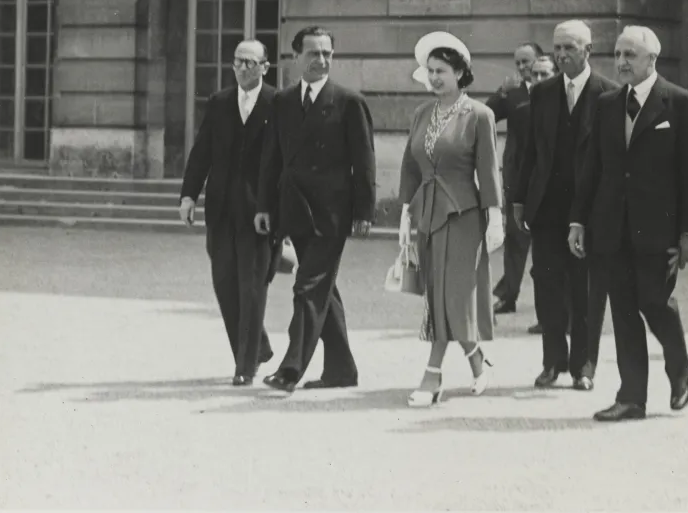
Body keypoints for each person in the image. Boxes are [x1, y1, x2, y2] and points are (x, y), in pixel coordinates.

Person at [569, 25, 688, 422]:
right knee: (624, 312)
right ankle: (631, 397)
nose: (621, 62)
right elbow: (591, 167)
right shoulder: (607, 103)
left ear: (652, 60)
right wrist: (578, 220)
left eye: (630, 55)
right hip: (611, 227)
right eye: (617, 54)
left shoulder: (681, 103)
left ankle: (679, 372)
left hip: (659, 229)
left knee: (656, 302)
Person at [255, 26, 376, 393]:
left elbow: (365, 161)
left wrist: (364, 212)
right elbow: (271, 157)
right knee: (324, 291)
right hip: (295, 210)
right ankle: (342, 370)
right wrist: (265, 206)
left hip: (332, 214)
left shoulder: (348, 101)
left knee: (308, 287)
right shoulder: (283, 101)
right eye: (312, 53)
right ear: (296, 57)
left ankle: (291, 369)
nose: (321, 60)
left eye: (327, 54)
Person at [398, 31, 504, 408]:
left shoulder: (479, 114)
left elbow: (489, 170)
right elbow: (411, 166)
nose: (434, 77)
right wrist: (405, 214)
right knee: (439, 295)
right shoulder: (421, 113)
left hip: (463, 216)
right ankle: (476, 358)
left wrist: (495, 218)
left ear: (461, 72)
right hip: (428, 213)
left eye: (442, 70)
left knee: (450, 296)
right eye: (430, 70)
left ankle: (432, 376)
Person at [514, 20, 618, 392]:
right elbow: (531, 152)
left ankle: (584, 365)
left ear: (588, 50)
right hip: (547, 209)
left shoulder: (609, 93)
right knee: (547, 286)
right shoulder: (542, 93)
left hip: (589, 211)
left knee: (586, 289)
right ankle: (552, 361)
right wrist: (520, 200)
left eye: (569, 48)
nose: (561, 55)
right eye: (557, 48)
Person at [178, 39, 278, 386]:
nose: (243, 68)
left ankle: (245, 365)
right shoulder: (219, 102)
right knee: (225, 285)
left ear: (266, 67)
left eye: (251, 63)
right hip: (220, 210)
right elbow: (202, 151)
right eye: (238, 62)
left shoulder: (277, 103)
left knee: (251, 287)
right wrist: (189, 195)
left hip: (259, 213)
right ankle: (258, 346)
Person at [488, 42, 542, 325]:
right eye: (518, 63)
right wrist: (501, 92)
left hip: (545, 176)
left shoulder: (552, 87)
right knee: (515, 237)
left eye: (527, 62)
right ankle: (507, 295)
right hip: (517, 173)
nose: (522, 68)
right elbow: (486, 116)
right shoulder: (513, 92)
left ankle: (549, 306)